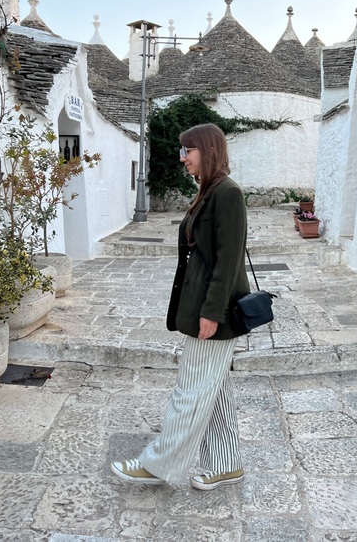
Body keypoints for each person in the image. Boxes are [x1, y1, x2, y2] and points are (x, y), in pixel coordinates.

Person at [111, 123, 250, 490]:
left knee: (190, 390)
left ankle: (158, 464)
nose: (182, 158)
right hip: (203, 308)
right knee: (213, 390)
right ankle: (226, 463)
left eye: (188, 150)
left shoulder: (228, 194)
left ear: (208, 150)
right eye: (181, 151)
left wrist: (212, 314)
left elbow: (228, 261)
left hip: (215, 313)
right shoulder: (210, 191)